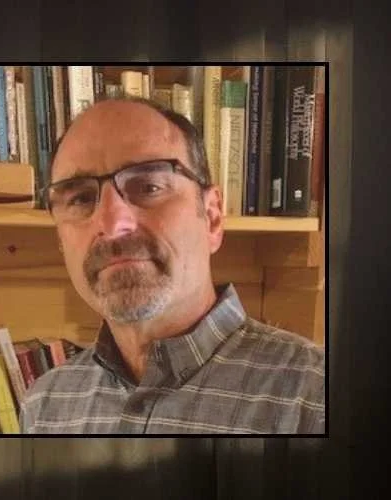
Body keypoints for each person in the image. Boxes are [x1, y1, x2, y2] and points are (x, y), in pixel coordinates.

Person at [19, 97, 325, 434]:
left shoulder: (317, 398)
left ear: (212, 217)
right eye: (80, 198)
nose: (112, 224)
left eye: (148, 186)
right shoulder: (44, 405)